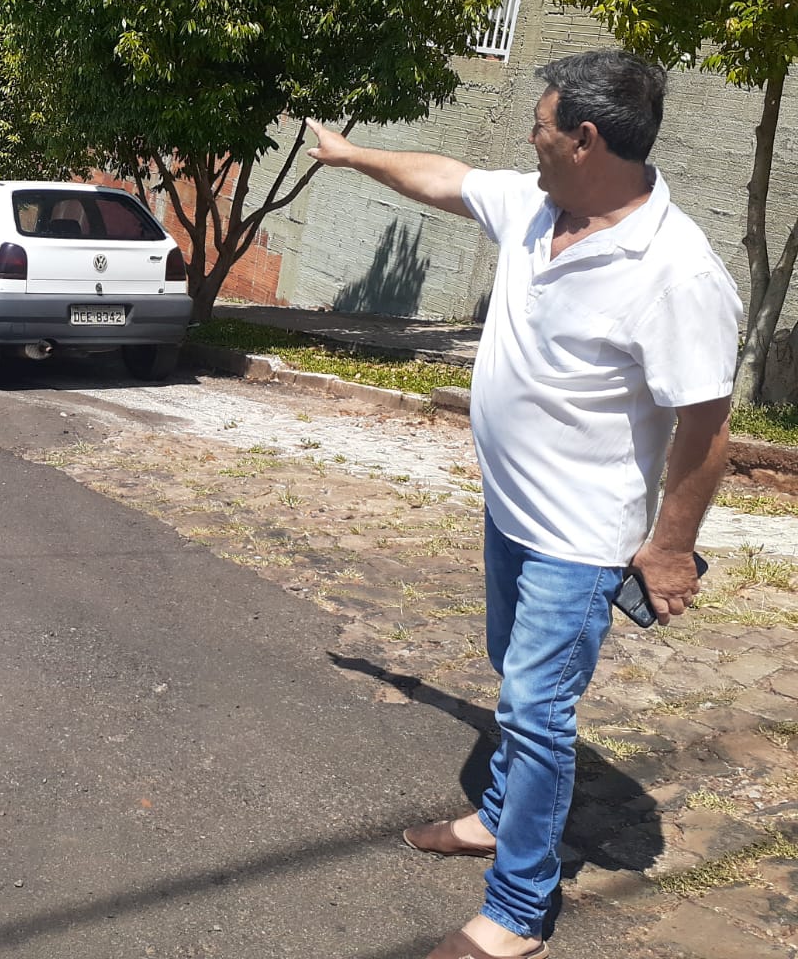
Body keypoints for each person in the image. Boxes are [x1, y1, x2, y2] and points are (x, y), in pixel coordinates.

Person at [306, 49, 740, 959]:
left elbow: (706, 426)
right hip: (510, 513)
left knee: (538, 711)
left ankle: (517, 912)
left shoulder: (677, 270)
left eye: (538, 127)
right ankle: (501, 815)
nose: (527, 141)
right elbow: (446, 178)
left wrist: (668, 548)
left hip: (579, 542)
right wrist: (351, 156)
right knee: (512, 674)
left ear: (584, 139)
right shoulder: (540, 207)